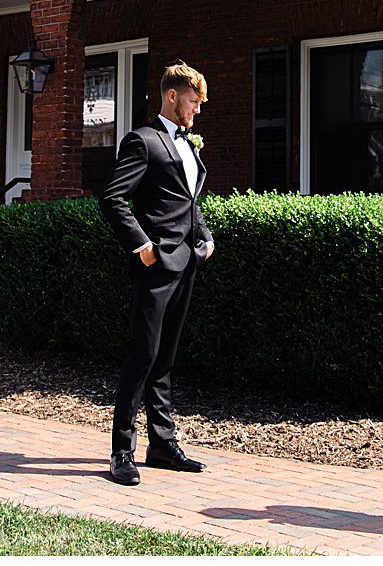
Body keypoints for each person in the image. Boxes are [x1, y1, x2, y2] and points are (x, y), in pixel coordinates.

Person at [98, 62, 216, 486]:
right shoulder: (142, 141)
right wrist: (142, 246)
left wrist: (204, 237)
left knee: (165, 357)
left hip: (186, 261)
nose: (197, 110)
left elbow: (187, 200)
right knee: (142, 356)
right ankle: (121, 451)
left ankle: (162, 444)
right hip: (155, 264)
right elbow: (113, 199)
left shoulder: (190, 145)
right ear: (172, 95)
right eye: (193, 100)